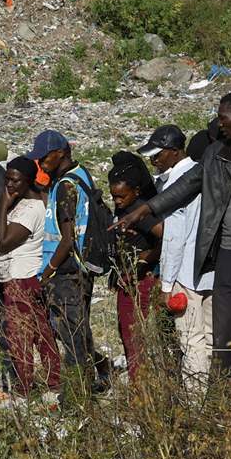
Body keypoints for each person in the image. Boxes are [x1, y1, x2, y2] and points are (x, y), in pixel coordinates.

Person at [119, 92, 231, 378]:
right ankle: (230, 390)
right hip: (227, 250)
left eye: (223, 117)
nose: (219, 124)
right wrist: (145, 209)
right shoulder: (217, 152)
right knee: (224, 331)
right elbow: (188, 184)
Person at [29, 130, 107, 392]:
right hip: (80, 268)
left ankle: (77, 394)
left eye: (44, 158)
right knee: (80, 329)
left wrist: (47, 272)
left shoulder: (65, 186)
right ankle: (94, 376)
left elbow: (66, 238)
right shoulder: (81, 174)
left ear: (60, 153)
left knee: (71, 335)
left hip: (66, 270)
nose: (41, 163)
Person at [139, 126, 212, 384]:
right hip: (210, 269)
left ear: (174, 151)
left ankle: (197, 401)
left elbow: (173, 238)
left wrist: (167, 284)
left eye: (157, 155)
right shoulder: (203, 172)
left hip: (185, 272)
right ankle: (218, 396)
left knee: (191, 339)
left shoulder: (177, 184)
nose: (154, 161)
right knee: (212, 337)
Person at [0, 157, 55, 398]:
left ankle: (25, 389)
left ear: (27, 181)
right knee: (39, 333)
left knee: (23, 337)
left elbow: (4, 242)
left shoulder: (31, 208)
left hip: (22, 278)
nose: (9, 184)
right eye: (7, 179)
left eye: (15, 180)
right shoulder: (20, 203)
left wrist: (3, 206)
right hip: (14, 277)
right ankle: (51, 382)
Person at [103, 154, 161, 382]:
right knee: (127, 331)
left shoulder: (139, 211)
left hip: (139, 280)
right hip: (128, 278)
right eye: (113, 197)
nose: (117, 201)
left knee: (133, 332)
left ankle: (141, 383)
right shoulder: (126, 209)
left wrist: (146, 258)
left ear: (136, 191)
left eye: (121, 196)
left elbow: (165, 237)